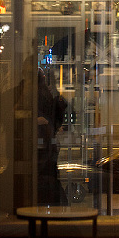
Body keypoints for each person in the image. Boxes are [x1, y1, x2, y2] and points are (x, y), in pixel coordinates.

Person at [37, 67, 68, 205]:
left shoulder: (43, 93)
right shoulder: (49, 93)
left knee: (46, 175)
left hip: (45, 141)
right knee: (50, 175)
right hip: (48, 141)